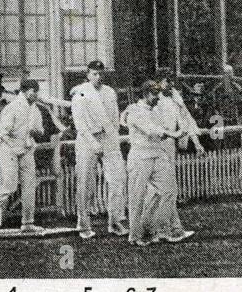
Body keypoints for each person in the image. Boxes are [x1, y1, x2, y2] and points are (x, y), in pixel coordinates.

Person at [124, 79, 194, 245]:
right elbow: (153, 131)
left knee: (169, 190)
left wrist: (180, 128)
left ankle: (165, 230)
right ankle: (135, 236)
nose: (158, 97)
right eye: (154, 94)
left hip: (157, 154)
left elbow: (166, 124)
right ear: (146, 94)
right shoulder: (135, 111)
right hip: (140, 157)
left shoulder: (155, 109)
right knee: (137, 197)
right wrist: (175, 134)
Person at [70, 59, 127, 239]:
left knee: (118, 178)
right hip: (88, 138)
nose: (98, 77)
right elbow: (79, 124)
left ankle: (115, 221)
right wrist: (93, 143)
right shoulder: (80, 93)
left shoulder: (110, 92)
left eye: (101, 74)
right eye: (94, 73)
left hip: (108, 136)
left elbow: (114, 117)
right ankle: (84, 223)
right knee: (86, 182)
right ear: (88, 74)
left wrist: (112, 137)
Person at [0, 80, 45, 233]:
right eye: (34, 91)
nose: (36, 95)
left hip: (26, 148)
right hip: (9, 148)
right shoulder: (12, 107)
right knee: (10, 185)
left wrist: (34, 132)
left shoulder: (35, 110)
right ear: (24, 91)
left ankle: (28, 222)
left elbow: (41, 131)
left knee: (29, 185)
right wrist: (15, 147)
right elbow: (3, 133)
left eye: (37, 92)